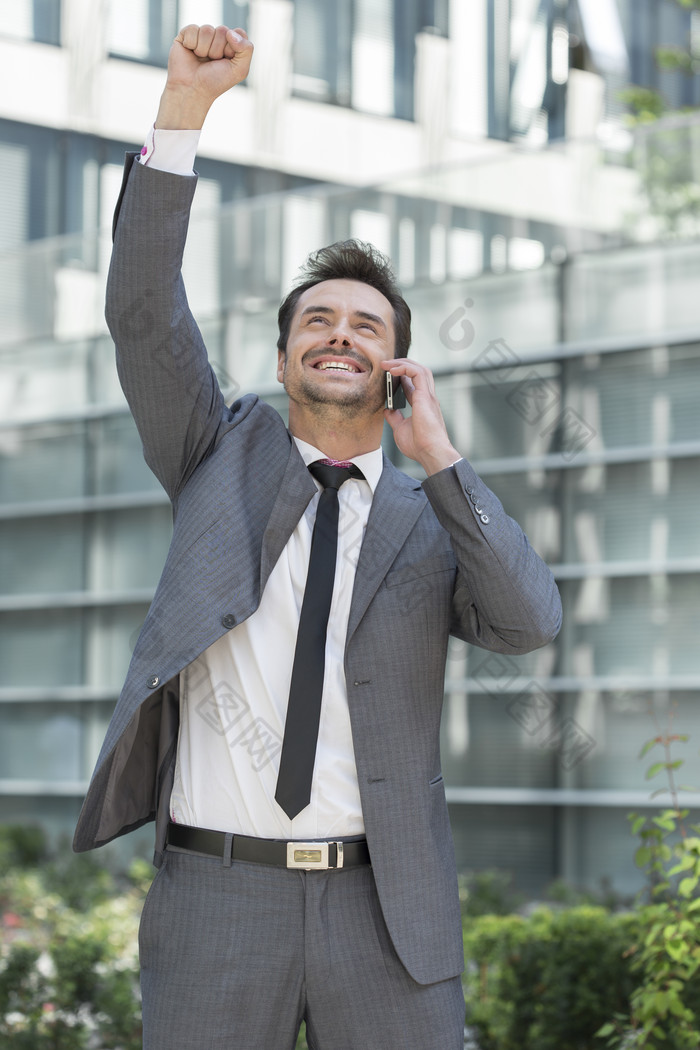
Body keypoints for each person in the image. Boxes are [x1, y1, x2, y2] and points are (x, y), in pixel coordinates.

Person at [73, 23, 562, 1050]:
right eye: (318, 321)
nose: (340, 332)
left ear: (396, 369)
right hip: (218, 897)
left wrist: (445, 464)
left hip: (384, 912)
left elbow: (527, 624)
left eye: (366, 325)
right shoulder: (218, 450)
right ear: (287, 351)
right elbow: (143, 317)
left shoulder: (435, 519)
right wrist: (183, 112)